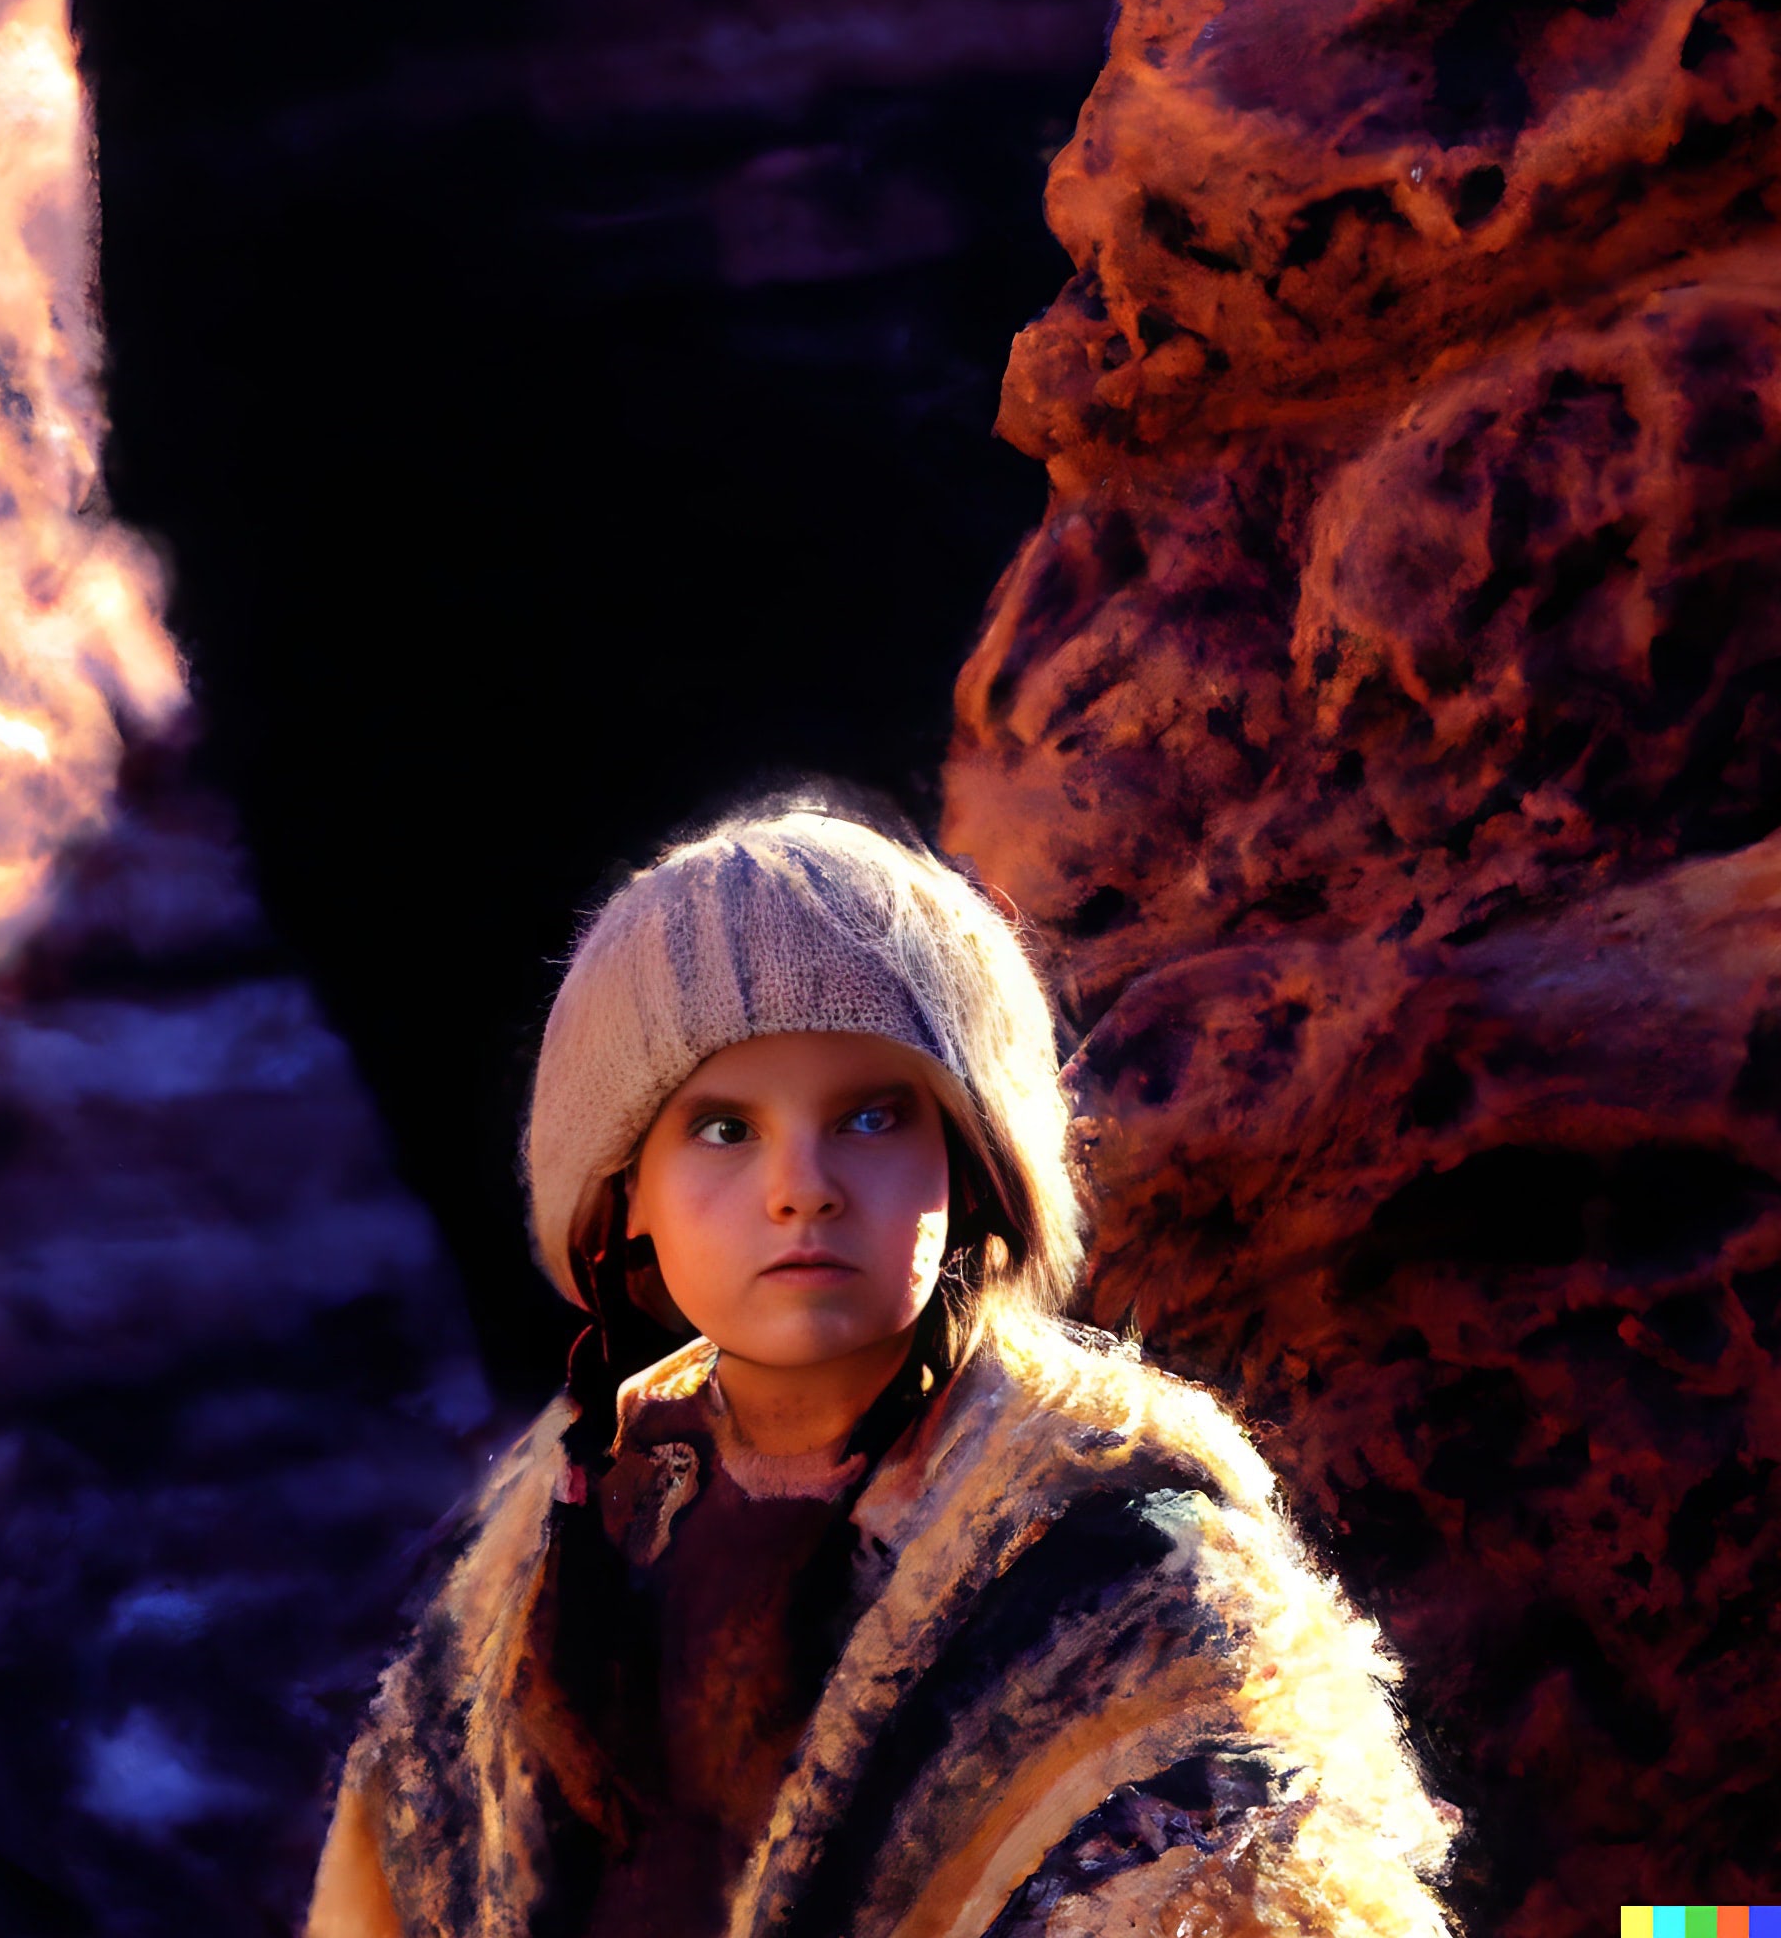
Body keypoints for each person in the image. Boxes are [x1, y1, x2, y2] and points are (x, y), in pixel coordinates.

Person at [304, 798, 1456, 1938]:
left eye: (868, 1117)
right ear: (624, 1197)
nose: (799, 1186)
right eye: (721, 1127)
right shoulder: (557, 1540)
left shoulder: (1127, 1567)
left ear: (972, 1159)